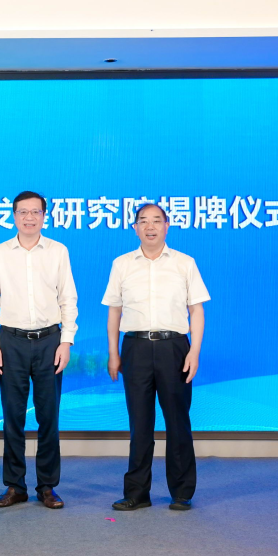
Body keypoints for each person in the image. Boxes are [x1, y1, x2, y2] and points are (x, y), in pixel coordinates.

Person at [104, 203, 209, 512]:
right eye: (143, 221)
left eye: (156, 221)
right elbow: (114, 312)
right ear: (135, 228)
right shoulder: (122, 264)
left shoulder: (184, 263)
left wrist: (194, 351)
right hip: (134, 348)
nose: (150, 226)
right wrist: (113, 353)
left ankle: (181, 492)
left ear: (167, 226)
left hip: (173, 347)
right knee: (139, 424)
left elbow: (196, 310)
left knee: (178, 421)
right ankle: (137, 493)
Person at [0, 191, 78, 510]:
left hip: (50, 340)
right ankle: (15, 486)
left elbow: (68, 299)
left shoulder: (58, 251)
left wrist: (66, 341)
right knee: (13, 416)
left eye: (35, 212)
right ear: (13, 216)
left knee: (48, 416)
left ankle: (47, 486)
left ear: (44, 216)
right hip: (11, 341)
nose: (29, 218)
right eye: (23, 212)